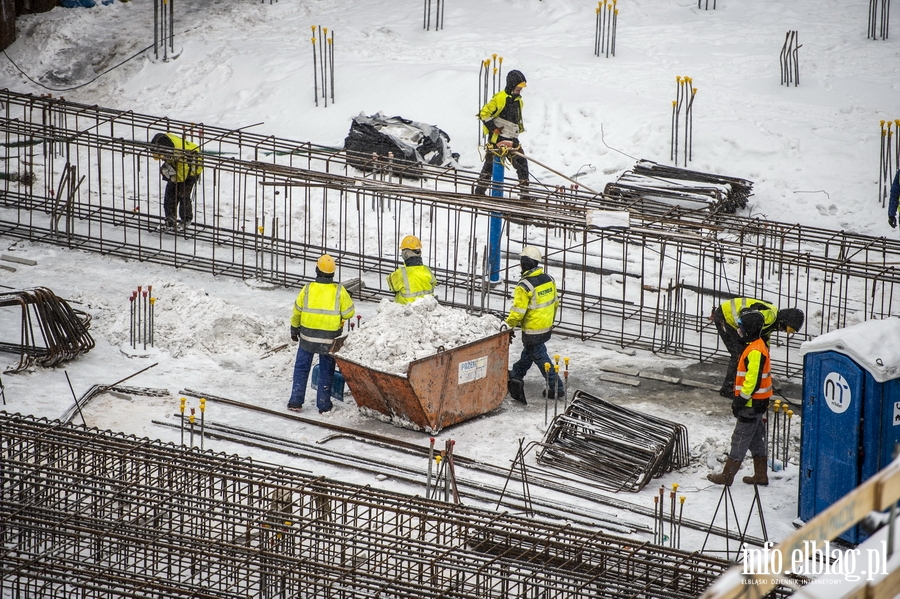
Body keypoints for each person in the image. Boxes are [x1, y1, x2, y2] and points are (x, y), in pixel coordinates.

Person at [707, 310, 772, 486]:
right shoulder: (755, 345)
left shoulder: (755, 350)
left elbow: (752, 380)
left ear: (750, 329)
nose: (740, 331)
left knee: (740, 439)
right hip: (758, 403)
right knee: (757, 439)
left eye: (742, 328)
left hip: (751, 404)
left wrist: (740, 400)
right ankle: (761, 476)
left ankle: (727, 476)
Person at [288, 254, 355, 414]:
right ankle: (324, 405)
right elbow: (349, 314)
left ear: (317, 270)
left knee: (301, 368)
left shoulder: (308, 289)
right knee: (326, 369)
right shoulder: (339, 291)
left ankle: (295, 401)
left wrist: (294, 328)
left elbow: (297, 311)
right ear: (333, 273)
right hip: (329, 339)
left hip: (307, 337)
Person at [505, 246, 565, 403]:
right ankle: (517, 373)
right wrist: (550, 321)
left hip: (533, 329)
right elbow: (555, 303)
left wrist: (507, 325)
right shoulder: (548, 279)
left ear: (525, 263)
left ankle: (557, 387)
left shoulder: (525, 286)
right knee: (531, 351)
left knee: (540, 357)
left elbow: (518, 312)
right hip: (546, 326)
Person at [711, 298, 804, 397]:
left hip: (735, 320)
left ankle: (745, 383)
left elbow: (764, 339)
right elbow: (748, 322)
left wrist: (765, 357)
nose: (785, 331)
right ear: (784, 321)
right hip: (725, 316)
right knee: (738, 355)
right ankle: (727, 389)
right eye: (788, 329)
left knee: (745, 354)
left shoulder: (771, 323)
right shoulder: (770, 317)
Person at [474, 69, 531, 201]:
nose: (519, 91)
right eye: (518, 88)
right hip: (497, 139)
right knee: (490, 165)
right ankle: (479, 191)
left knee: (521, 163)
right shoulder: (499, 99)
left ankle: (525, 194)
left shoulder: (518, 100)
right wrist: (493, 128)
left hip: (511, 138)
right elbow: (484, 114)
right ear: (511, 85)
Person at [151, 132, 203, 231]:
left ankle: (186, 219)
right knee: (169, 193)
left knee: (183, 194)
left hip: (192, 167)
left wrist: (173, 179)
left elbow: (182, 173)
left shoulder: (178, 152)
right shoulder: (165, 142)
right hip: (178, 164)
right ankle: (170, 219)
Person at [387, 235, 437, 304]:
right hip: (425, 308)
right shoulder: (427, 270)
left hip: (405, 309)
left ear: (406, 253)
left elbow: (391, 285)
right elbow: (434, 283)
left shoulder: (401, 273)